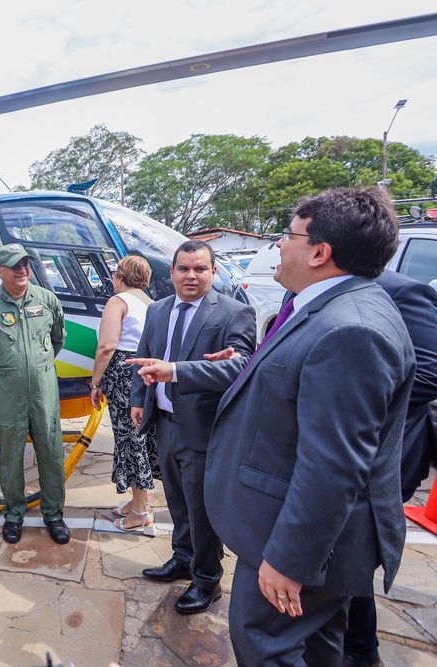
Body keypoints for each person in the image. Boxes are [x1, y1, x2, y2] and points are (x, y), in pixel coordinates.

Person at [133, 188, 415, 665]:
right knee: (322, 648)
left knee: (264, 645)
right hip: (297, 531)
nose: (280, 246)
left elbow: (335, 464)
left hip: (301, 546)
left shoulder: (352, 329)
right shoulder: (325, 307)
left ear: (321, 252)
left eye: (289, 235)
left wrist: (291, 559)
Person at [129, 239, 255, 615]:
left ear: (213, 272)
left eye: (200, 268)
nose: (191, 275)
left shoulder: (234, 313)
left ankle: (207, 580)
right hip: (164, 423)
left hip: (203, 429)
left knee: (202, 511)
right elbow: (145, 353)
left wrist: (177, 372)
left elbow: (241, 366)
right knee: (178, 503)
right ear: (172, 272)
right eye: (184, 268)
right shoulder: (159, 310)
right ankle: (182, 559)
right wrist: (139, 398)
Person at [342, 269, 437, 667]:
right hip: (337, 456)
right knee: (340, 564)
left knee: (353, 560)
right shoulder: (309, 292)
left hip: (382, 460)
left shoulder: (402, 292)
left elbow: (429, 372)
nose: (280, 246)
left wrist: (338, 400)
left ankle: (360, 653)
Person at [0, 243, 69, 545]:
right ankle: (14, 514)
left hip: (43, 393)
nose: (23, 269)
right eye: (15, 265)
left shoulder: (48, 300)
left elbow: (57, 340)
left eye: (26, 263)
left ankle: (54, 515)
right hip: (6, 395)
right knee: (10, 457)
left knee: (51, 455)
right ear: (0, 271)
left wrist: (34, 368)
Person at [88, 255, 159, 535]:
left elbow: (107, 345)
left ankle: (141, 511)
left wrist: (96, 382)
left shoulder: (118, 302)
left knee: (130, 439)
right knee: (141, 435)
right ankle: (137, 501)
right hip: (146, 371)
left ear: (119, 276)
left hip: (123, 373)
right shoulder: (151, 304)